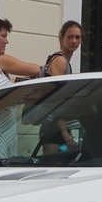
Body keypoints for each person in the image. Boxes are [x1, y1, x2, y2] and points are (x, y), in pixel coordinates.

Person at [37, 21, 84, 153]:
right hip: (53, 125)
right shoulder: (60, 60)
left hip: (57, 122)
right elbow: (56, 96)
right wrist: (64, 131)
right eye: (69, 37)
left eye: (77, 37)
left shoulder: (64, 61)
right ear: (61, 38)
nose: (74, 41)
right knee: (52, 164)